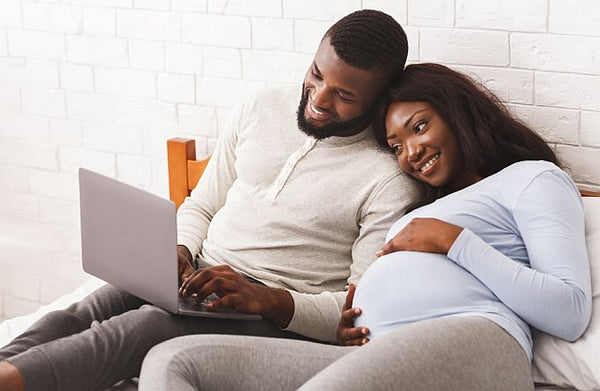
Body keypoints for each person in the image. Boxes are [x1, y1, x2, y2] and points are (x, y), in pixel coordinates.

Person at [0, 9, 420, 391]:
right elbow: (202, 202)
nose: (318, 98)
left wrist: (268, 299)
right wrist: (180, 250)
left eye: (344, 96)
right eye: (316, 73)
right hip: (199, 277)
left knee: (147, 327)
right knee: (82, 310)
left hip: (272, 316)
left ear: (379, 99)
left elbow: (358, 310)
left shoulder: (387, 178)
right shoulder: (261, 106)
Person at [137, 63, 592, 391]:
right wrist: (357, 309)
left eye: (419, 127)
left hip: (478, 340)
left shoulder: (532, 178)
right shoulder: (420, 206)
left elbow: (569, 312)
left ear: (458, 113)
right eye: (396, 145)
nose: (410, 152)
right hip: (370, 350)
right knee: (173, 360)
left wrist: (454, 241)